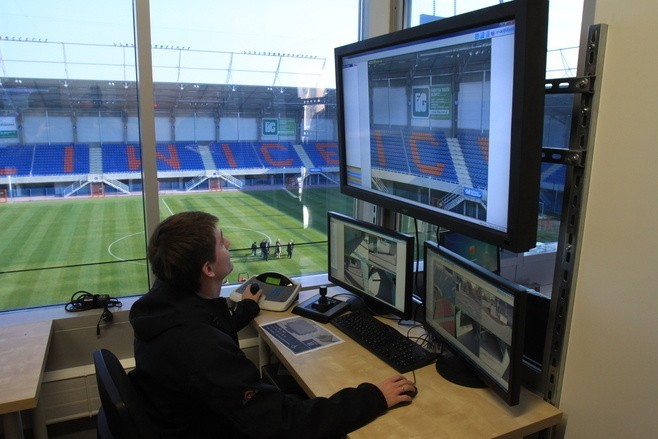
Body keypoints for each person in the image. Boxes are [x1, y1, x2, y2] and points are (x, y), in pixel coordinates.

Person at [129, 211, 417, 438]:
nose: (228, 243)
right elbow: (284, 424)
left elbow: (206, 331)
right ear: (208, 269)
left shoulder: (161, 306)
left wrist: (248, 309)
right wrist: (373, 397)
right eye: (220, 242)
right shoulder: (199, 348)